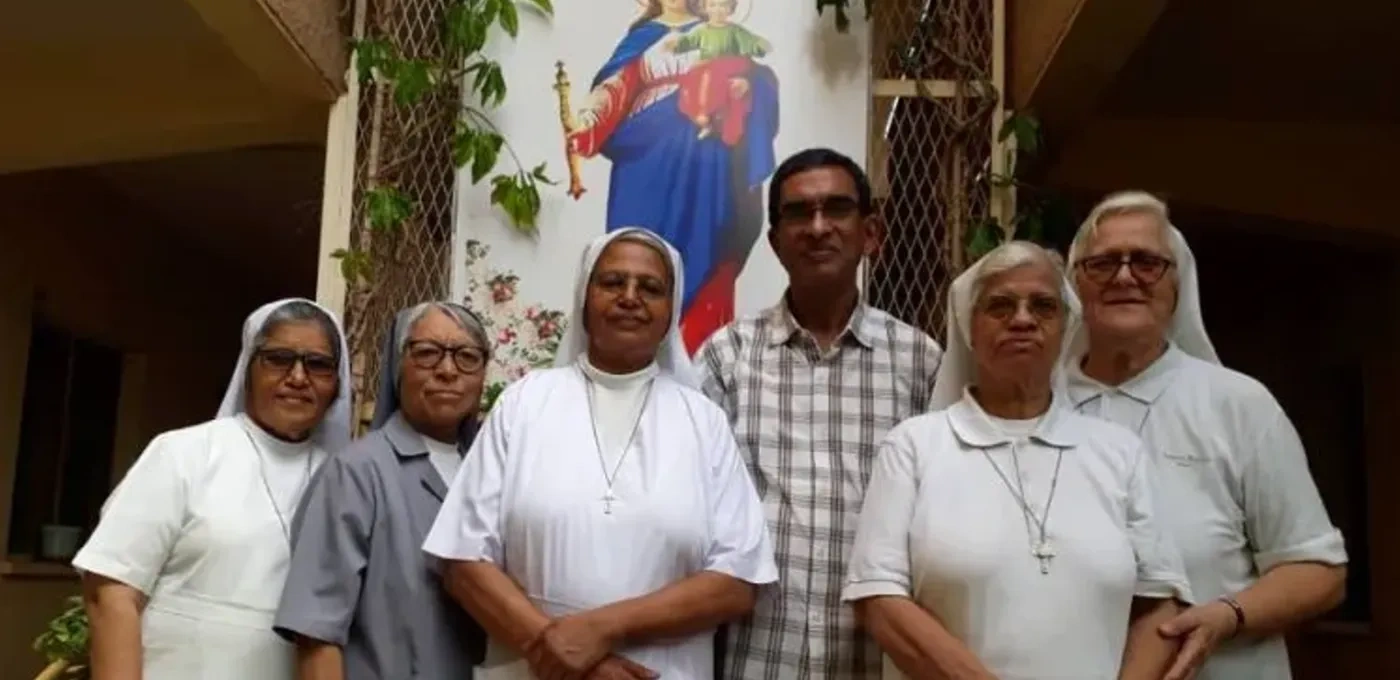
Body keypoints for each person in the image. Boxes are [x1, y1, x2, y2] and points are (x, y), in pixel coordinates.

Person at [422, 227, 778, 680]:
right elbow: (462, 560)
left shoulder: (703, 422)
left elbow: (738, 581)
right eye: (612, 282)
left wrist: (602, 631)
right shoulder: (525, 403)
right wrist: (569, 659)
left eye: (650, 288)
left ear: (670, 311)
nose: (630, 297)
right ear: (584, 299)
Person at [842, 241, 1192, 679]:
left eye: (1043, 306)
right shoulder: (915, 446)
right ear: (970, 327)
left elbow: (1161, 601)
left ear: (1066, 327)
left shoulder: (1119, 453)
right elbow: (879, 599)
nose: (1023, 320)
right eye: (1001, 306)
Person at [1060, 191, 1348, 679]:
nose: (1125, 276)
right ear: (1075, 286)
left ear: (1177, 285)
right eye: (1103, 263)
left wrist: (1228, 617)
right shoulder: (1039, 405)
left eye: (1147, 262)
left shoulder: (1237, 404)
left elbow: (1319, 571)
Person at [696, 148, 943, 679]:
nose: (817, 227)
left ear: (870, 233)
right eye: (798, 213)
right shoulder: (726, 356)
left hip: (877, 658)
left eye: (836, 209)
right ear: (774, 241)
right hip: (753, 657)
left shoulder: (920, 361)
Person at [73, 298, 352, 680]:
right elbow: (111, 592)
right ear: (248, 370)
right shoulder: (183, 453)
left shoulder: (346, 478)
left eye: (318, 364)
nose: (298, 377)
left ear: (338, 385)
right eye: (279, 358)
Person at [273, 301, 492, 679]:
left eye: (467, 356)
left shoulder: (492, 473)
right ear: (397, 367)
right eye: (426, 353)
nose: (447, 369)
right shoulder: (357, 472)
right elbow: (316, 636)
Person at [567, 0, 780, 352]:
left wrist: (746, 85)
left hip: (708, 162)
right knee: (636, 251)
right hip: (646, 157)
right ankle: (627, 351)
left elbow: (756, 77)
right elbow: (616, 87)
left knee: (708, 246)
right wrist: (590, 116)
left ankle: (698, 353)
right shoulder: (642, 38)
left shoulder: (720, 31)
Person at [666, 0, 772, 144]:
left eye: (723, 5)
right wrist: (676, 45)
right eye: (713, 5)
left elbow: (750, 42)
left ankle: (708, 114)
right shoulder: (702, 30)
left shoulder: (734, 30)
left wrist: (759, 46)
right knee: (690, 85)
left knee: (712, 77)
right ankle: (704, 120)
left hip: (729, 66)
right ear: (705, 8)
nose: (718, 10)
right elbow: (688, 42)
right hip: (707, 68)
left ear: (731, 9)